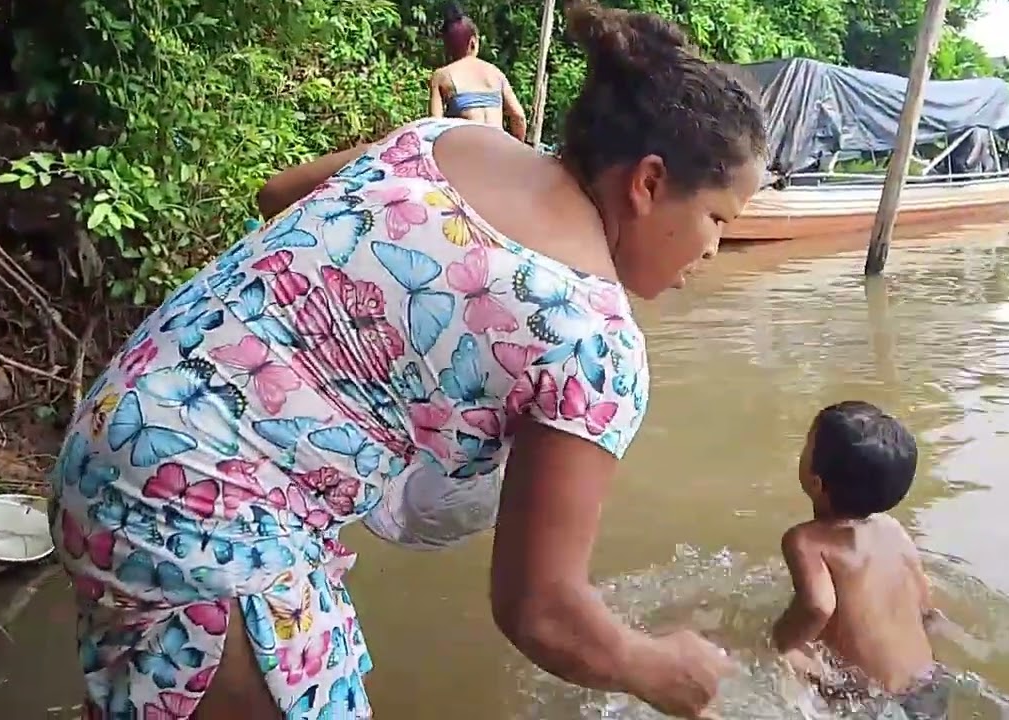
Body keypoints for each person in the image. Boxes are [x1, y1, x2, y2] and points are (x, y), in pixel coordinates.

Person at [48, 0, 766, 718]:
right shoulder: (594, 339)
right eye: (717, 219)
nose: (712, 250)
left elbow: (276, 196)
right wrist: (653, 665)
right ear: (647, 183)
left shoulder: (447, 140)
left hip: (115, 431)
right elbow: (542, 611)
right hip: (209, 514)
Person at [771, 401, 949, 718]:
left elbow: (818, 606)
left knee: (785, 657)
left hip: (866, 700)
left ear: (816, 482)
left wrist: (776, 645)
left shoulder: (806, 540)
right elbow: (926, 609)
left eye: (806, 446)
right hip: (928, 683)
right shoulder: (893, 530)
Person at [428, 2, 528, 141]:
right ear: (473, 42)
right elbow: (519, 116)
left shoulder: (441, 76)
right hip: (499, 148)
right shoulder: (496, 73)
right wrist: (518, 145)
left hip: (469, 150)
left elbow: (435, 126)